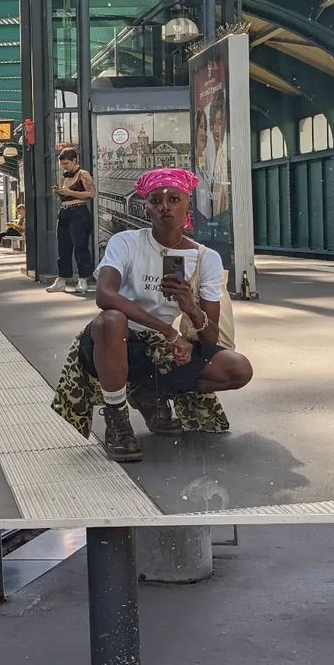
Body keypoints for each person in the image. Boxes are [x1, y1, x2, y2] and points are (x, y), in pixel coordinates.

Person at [51, 167, 252, 462]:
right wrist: (169, 331)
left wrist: (189, 305)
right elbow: (104, 295)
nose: (164, 207)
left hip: (162, 352)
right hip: (115, 343)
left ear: (187, 205)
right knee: (112, 319)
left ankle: (152, 393)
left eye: (174, 199)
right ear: (146, 209)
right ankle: (117, 419)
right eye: (155, 200)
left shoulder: (205, 258)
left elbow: (210, 338)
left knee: (238, 369)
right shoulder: (126, 242)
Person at [45, 148, 96, 294]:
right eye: (62, 164)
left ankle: (83, 279)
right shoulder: (66, 178)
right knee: (63, 247)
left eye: (67, 163)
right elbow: (68, 195)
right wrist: (61, 193)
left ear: (75, 160)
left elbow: (91, 193)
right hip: (64, 212)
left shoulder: (83, 174)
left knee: (80, 247)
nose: (64, 167)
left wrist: (70, 192)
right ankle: (62, 279)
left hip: (79, 212)